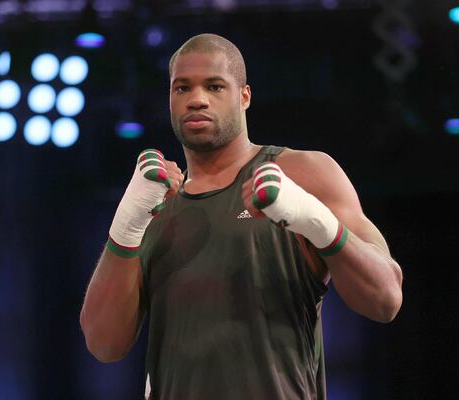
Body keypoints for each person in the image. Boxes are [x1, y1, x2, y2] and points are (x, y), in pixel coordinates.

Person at [80, 33, 403, 400]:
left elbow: (385, 298)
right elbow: (103, 344)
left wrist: (315, 219)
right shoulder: (154, 202)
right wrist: (127, 223)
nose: (197, 99)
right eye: (182, 88)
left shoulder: (305, 172)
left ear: (244, 96)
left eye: (215, 86)